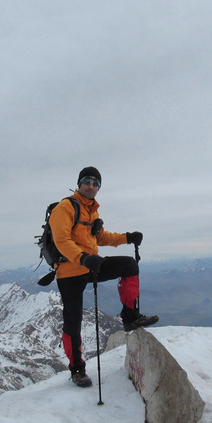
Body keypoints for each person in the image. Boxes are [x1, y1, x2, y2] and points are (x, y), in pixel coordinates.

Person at [50, 166, 158, 387]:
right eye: (87, 181)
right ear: (79, 183)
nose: (91, 186)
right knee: (73, 322)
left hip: (91, 265)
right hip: (70, 271)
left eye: (96, 183)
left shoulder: (92, 211)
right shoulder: (65, 207)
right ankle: (77, 370)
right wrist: (82, 258)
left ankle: (130, 317)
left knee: (129, 265)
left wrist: (127, 237)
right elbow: (61, 241)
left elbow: (100, 237)